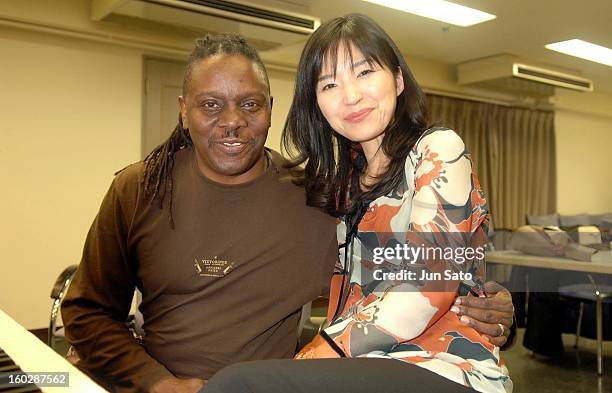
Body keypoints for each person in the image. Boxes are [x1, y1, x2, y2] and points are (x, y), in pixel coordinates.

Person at [62, 33, 514, 393]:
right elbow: (87, 312)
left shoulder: (315, 198)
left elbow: (398, 275)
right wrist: (155, 382)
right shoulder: (139, 188)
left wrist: (480, 302)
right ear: (184, 112)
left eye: (250, 104)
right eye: (210, 105)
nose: (232, 121)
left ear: (270, 110)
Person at [204, 14, 513, 393]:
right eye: (330, 84)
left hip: (442, 365)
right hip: (363, 365)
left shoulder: (437, 150)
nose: (350, 96)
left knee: (240, 384)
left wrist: (317, 352)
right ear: (316, 102)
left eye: (365, 73)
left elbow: (426, 290)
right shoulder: (337, 186)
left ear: (398, 80)